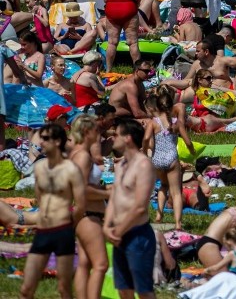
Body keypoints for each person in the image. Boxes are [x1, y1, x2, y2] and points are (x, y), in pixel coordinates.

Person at [18, 124, 86, 299]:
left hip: (62, 230)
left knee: (64, 289)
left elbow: (80, 205)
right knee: (26, 289)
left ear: (57, 141)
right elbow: (40, 199)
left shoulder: (71, 169)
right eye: (42, 138)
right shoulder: (40, 168)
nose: (41, 142)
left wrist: (69, 225)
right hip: (42, 231)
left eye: (46, 138)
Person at [102, 119, 156, 299]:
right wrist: (107, 225)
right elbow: (115, 197)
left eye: (116, 134)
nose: (112, 137)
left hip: (137, 235)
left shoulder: (143, 165)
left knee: (143, 291)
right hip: (119, 234)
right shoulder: (121, 164)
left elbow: (140, 206)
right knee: (124, 289)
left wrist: (118, 230)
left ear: (128, 138)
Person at [69, 116, 110, 299]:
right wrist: (109, 194)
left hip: (86, 213)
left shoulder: (79, 154)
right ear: (86, 132)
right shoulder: (83, 157)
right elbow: (82, 190)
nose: (99, 133)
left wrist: (102, 188)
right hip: (88, 214)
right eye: (95, 130)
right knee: (101, 264)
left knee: (85, 263)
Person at [144, 86, 194, 230]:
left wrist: (145, 147)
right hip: (172, 158)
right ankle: (178, 223)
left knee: (163, 186)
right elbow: (188, 142)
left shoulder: (153, 122)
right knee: (176, 192)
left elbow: (147, 137)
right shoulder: (176, 123)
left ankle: (159, 215)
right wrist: (191, 151)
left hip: (157, 159)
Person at [99, 0, 143, 71]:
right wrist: (136, 3)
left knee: (112, 42)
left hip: (112, 11)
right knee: (132, 42)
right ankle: (138, 70)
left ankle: (108, 70)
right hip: (129, 10)